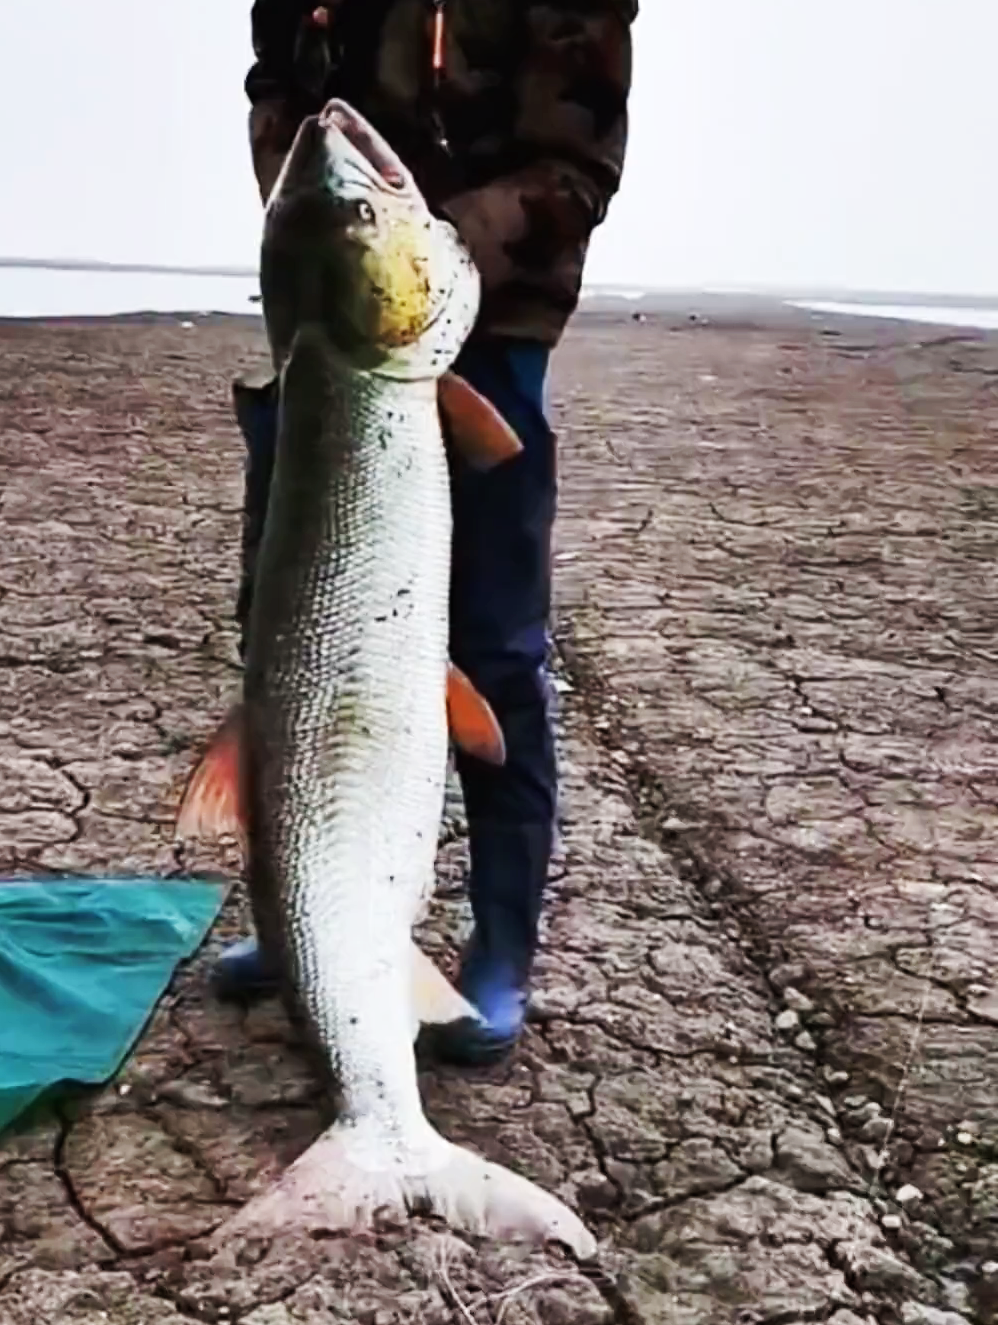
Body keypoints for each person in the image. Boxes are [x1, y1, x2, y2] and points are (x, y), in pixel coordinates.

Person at [219, 0, 638, 1066]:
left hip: (480, 318)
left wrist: (424, 242)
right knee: (283, 630)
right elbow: (278, 91)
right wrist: (308, 203)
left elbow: (573, 175)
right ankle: (302, 911)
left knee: (494, 648)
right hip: (324, 320)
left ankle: (499, 949)